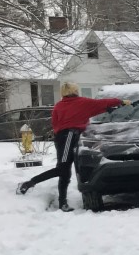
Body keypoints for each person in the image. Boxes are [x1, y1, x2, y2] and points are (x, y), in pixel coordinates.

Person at [16, 82, 130, 211]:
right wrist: (121, 101)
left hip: (62, 138)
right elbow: (102, 103)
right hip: (69, 136)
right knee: (63, 170)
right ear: (75, 90)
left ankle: (62, 203)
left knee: (65, 172)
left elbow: (56, 123)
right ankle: (30, 183)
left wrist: (107, 109)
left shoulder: (59, 105)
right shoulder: (82, 102)